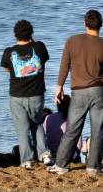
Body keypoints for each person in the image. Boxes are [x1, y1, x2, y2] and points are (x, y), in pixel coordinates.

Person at [48, 10, 103, 175]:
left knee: (72, 129)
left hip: (78, 91)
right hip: (99, 91)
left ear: (84, 23)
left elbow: (65, 65)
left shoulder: (72, 41)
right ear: (100, 25)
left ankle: (61, 166)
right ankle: (93, 167)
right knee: (98, 129)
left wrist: (59, 86)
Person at [1, 20, 52, 169]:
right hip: (36, 94)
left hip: (17, 96)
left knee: (22, 128)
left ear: (15, 34)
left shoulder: (9, 52)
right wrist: (32, 41)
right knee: (37, 123)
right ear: (31, 34)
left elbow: (7, 69)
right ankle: (44, 154)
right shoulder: (39, 46)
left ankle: (27, 160)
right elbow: (43, 60)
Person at [43, 94, 82, 161]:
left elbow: (44, 135)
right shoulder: (72, 119)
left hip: (51, 152)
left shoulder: (48, 117)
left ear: (57, 105)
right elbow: (79, 143)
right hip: (68, 155)